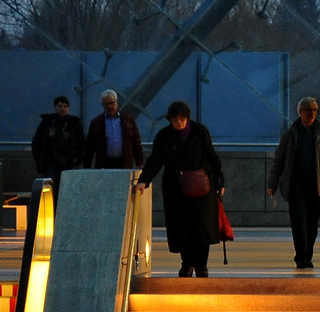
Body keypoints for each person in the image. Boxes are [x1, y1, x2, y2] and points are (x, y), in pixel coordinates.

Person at [137, 101, 224, 277]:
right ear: (170, 120)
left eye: (182, 119)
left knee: (202, 227)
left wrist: (220, 182)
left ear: (188, 119)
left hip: (202, 188)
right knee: (182, 228)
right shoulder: (164, 136)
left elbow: (212, 157)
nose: (179, 123)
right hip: (176, 190)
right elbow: (155, 160)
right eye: (176, 120)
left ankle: (201, 264)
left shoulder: (200, 132)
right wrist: (143, 180)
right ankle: (187, 264)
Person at [268, 97, 320, 269]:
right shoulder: (290, 134)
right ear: (300, 112)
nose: (312, 113)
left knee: (312, 224)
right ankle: (301, 257)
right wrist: (272, 184)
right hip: (296, 185)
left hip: (317, 184)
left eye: (314, 110)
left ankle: (308, 254)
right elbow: (279, 160)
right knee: (299, 222)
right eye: (308, 109)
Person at [31, 94, 85, 194]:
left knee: (68, 189)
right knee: (51, 189)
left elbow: (82, 143)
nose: (62, 109)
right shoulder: (46, 123)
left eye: (65, 106)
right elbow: (37, 141)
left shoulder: (74, 124)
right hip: (51, 163)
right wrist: (39, 159)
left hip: (70, 163)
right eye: (60, 106)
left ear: (68, 108)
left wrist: (78, 159)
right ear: (55, 107)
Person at [84, 89, 144, 171]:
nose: (109, 106)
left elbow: (136, 142)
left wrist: (140, 163)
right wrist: (87, 165)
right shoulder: (96, 122)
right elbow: (89, 146)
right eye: (106, 104)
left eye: (112, 103)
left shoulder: (128, 120)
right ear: (102, 105)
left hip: (124, 163)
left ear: (117, 103)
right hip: (104, 164)